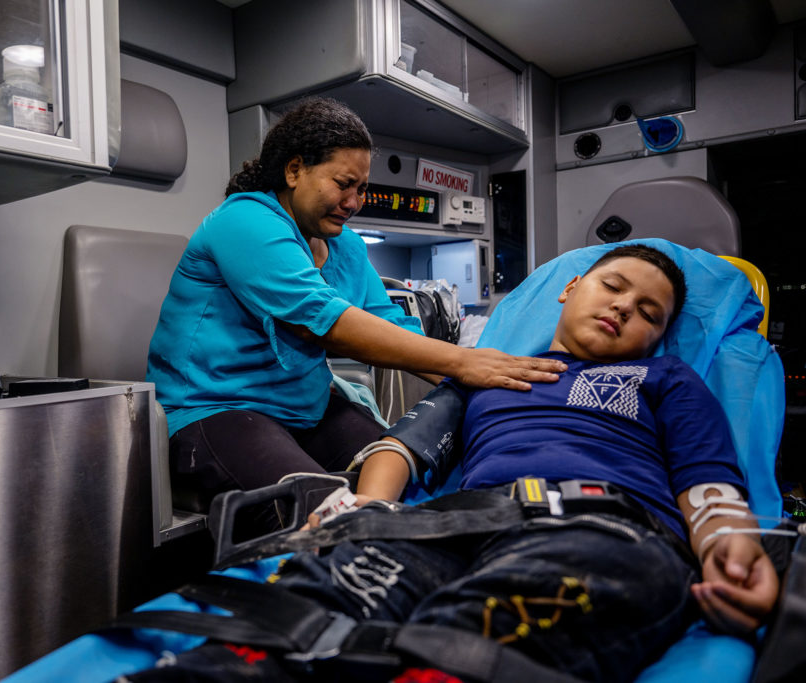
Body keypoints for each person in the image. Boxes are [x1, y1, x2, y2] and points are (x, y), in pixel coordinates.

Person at [130, 245, 780, 682]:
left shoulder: (661, 379)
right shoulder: (485, 376)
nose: (622, 309)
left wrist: (729, 545)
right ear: (572, 288)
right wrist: (372, 510)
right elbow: (403, 447)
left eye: (648, 313)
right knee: (320, 599)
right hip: (452, 527)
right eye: (613, 286)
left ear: (659, 337)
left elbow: (708, 478)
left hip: (603, 530)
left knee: (482, 630)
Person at [146, 97, 564, 515]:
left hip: (304, 412)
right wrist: (462, 363)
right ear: (294, 170)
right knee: (329, 512)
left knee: (409, 481)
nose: (354, 200)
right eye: (343, 183)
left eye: (362, 188)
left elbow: (391, 325)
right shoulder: (244, 221)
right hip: (215, 413)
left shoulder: (345, 244)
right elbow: (322, 323)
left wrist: (493, 386)